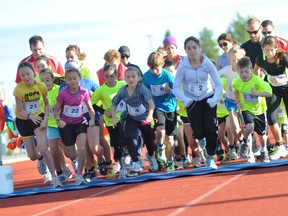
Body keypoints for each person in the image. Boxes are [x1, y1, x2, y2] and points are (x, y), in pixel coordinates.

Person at [173, 36, 223, 170]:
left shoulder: (207, 63)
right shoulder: (182, 66)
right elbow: (176, 87)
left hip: (207, 98)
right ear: (185, 50)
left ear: (199, 48)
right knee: (199, 132)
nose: (192, 51)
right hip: (192, 101)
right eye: (189, 48)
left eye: (194, 47)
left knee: (211, 129)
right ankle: (202, 143)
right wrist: (185, 100)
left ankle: (210, 158)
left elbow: (218, 85)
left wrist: (213, 100)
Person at [13, 62, 62, 188]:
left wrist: (45, 118)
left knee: (43, 148)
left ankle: (55, 177)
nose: (26, 77)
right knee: (33, 156)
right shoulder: (18, 89)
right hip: (23, 119)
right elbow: (19, 109)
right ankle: (40, 159)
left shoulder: (41, 86)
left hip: (38, 118)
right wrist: (29, 115)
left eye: (28, 74)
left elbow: (46, 104)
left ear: (33, 74)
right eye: (23, 75)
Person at [111, 67, 159, 177]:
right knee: (128, 137)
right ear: (125, 79)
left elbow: (151, 104)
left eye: (133, 76)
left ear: (138, 78)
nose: (130, 79)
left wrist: (150, 116)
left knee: (149, 141)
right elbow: (113, 104)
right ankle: (136, 161)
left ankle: (151, 157)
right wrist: (114, 117)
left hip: (144, 118)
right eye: (128, 77)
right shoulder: (123, 91)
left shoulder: (142, 89)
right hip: (132, 117)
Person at [54, 67, 95, 185]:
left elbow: (90, 109)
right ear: (66, 81)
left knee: (82, 149)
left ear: (79, 79)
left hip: (80, 123)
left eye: (75, 78)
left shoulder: (84, 92)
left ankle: (79, 175)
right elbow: (56, 110)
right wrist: (58, 120)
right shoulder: (62, 93)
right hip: (66, 125)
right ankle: (76, 162)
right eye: (69, 79)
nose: (72, 81)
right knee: (72, 154)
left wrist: (92, 119)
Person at [232, 56, 272, 163]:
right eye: (241, 72)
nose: (244, 74)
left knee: (262, 135)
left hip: (260, 110)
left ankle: (264, 151)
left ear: (251, 70)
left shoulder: (257, 80)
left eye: (246, 71)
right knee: (249, 127)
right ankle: (244, 143)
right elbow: (235, 89)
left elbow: (269, 93)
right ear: (237, 72)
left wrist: (258, 93)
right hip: (246, 109)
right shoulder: (236, 82)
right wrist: (238, 102)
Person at [254, 36, 288, 160]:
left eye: (272, 50)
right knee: (271, 116)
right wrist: (259, 82)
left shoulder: (282, 57)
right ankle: (280, 145)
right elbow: (255, 70)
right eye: (267, 50)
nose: (270, 53)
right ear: (263, 49)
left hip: (287, 88)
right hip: (274, 90)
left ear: (276, 48)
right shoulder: (260, 59)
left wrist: (282, 79)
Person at [143, 51, 177, 172]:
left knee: (170, 138)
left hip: (170, 107)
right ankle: (161, 151)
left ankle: (170, 161)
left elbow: (177, 91)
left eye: (157, 68)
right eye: (152, 68)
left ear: (161, 65)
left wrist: (170, 91)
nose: (155, 71)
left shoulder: (168, 76)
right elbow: (144, 93)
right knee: (160, 131)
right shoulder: (146, 77)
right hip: (157, 107)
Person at [91, 64, 127, 177]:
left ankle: (131, 162)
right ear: (103, 77)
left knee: (127, 141)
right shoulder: (101, 90)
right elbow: (92, 104)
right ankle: (121, 167)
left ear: (116, 75)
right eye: (106, 76)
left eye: (111, 76)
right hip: (112, 122)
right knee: (117, 144)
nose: (109, 79)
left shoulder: (123, 85)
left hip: (125, 118)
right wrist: (104, 112)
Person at [39, 68, 72, 183]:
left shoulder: (60, 90)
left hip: (63, 123)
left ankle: (76, 162)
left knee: (68, 150)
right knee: (53, 150)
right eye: (42, 80)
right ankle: (60, 173)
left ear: (52, 79)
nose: (45, 82)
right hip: (51, 125)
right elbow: (41, 109)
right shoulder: (40, 94)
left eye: (47, 79)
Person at [218, 45, 246, 163]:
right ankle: (240, 143)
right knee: (234, 129)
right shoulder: (226, 70)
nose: (236, 62)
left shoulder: (245, 70)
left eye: (238, 60)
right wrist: (222, 90)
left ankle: (247, 146)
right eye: (233, 60)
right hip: (231, 101)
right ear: (229, 60)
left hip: (244, 101)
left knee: (245, 126)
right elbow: (215, 78)